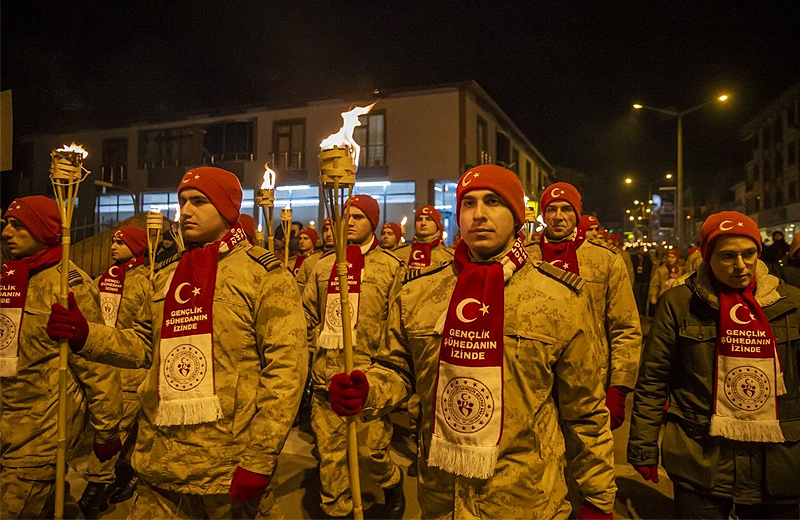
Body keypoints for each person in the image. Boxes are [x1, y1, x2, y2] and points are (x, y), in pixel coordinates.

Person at [328, 165, 616, 518]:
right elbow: (399, 369)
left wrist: (597, 498)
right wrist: (367, 389)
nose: (479, 214)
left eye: (493, 202)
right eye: (468, 204)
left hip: (525, 498)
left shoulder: (558, 297)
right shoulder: (419, 292)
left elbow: (584, 412)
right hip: (441, 496)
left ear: (516, 217)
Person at [48, 167, 308, 519]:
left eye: (199, 202)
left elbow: (286, 374)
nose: (185, 211)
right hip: (159, 461)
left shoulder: (263, 276)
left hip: (225, 466)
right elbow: (142, 345)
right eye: (182, 201)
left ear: (228, 209)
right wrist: (86, 335)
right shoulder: (168, 275)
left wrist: (260, 459)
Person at [628, 211, 800, 519]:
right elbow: (654, 380)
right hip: (700, 459)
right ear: (708, 258)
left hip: (778, 464)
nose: (740, 266)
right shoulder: (679, 304)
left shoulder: (791, 305)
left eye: (748, 254)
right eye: (727, 256)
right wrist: (644, 446)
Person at [1, 196, 122, 520]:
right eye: (6, 224)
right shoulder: (13, 278)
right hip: (9, 425)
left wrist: (107, 433)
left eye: (17, 225)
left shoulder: (68, 285)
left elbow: (96, 366)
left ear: (41, 230)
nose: (6, 232)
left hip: (42, 433)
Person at [302, 194, 406, 519]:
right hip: (326, 382)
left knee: (370, 451)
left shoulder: (391, 268)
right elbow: (306, 317)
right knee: (331, 460)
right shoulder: (321, 267)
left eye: (358, 217)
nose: (349, 223)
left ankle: (391, 482)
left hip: (368, 380)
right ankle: (339, 511)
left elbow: (397, 325)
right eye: (345, 216)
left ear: (372, 223)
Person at [528, 182, 642, 431]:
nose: (558, 217)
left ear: (577, 214)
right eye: (551, 209)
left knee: (589, 466)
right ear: (543, 215)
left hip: (591, 383)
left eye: (566, 209)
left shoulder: (606, 260)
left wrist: (619, 387)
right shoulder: (526, 257)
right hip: (534, 384)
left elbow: (625, 327)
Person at [81, 226, 150, 517]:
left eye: (122, 242)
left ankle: (107, 482)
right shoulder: (100, 280)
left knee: (123, 428)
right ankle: (110, 478)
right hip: (105, 364)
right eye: (113, 240)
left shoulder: (148, 282)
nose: (114, 245)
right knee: (111, 428)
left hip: (133, 368)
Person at [390, 205, 454, 477]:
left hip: (436, 335)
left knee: (428, 401)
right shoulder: (399, 257)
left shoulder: (448, 257)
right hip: (407, 331)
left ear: (439, 226)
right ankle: (419, 448)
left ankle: (424, 452)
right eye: (420, 219)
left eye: (430, 219)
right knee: (413, 403)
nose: (424, 223)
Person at [393, 205, 454, 272]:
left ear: (437, 226)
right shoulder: (398, 254)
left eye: (428, 219)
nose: (423, 223)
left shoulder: (450, 257)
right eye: (419, 219)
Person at [631, 247, 654, 315]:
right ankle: (638, 310)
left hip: (645, 280)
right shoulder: (633, 258)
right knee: (637, 296)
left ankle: (643, 311)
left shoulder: (647, 258)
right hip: (637, 280)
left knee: (644, 296)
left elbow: (650, 267)